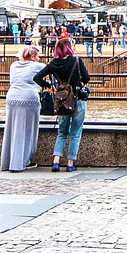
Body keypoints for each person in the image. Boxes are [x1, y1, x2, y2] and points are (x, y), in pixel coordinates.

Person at [34, 37, 90, 172]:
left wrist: (50, 86)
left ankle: (56, 161)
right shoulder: (76, 61)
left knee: (62, 132)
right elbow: (87, 78)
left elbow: (36, 78)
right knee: (75, 133)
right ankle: (70, 163)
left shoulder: (53, 64)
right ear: (69, 48)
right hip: (77, 100)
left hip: (61, 102)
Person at [0, 44, 44, 172]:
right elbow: (49, 70)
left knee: (11, 130)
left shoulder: (14, 65)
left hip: (12, 98)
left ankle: (8, 162)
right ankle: (22, 161)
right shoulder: (37, 66)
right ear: (32, 57)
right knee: (28, 131)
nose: (39, 58)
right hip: (29, 99)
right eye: (38, 56)